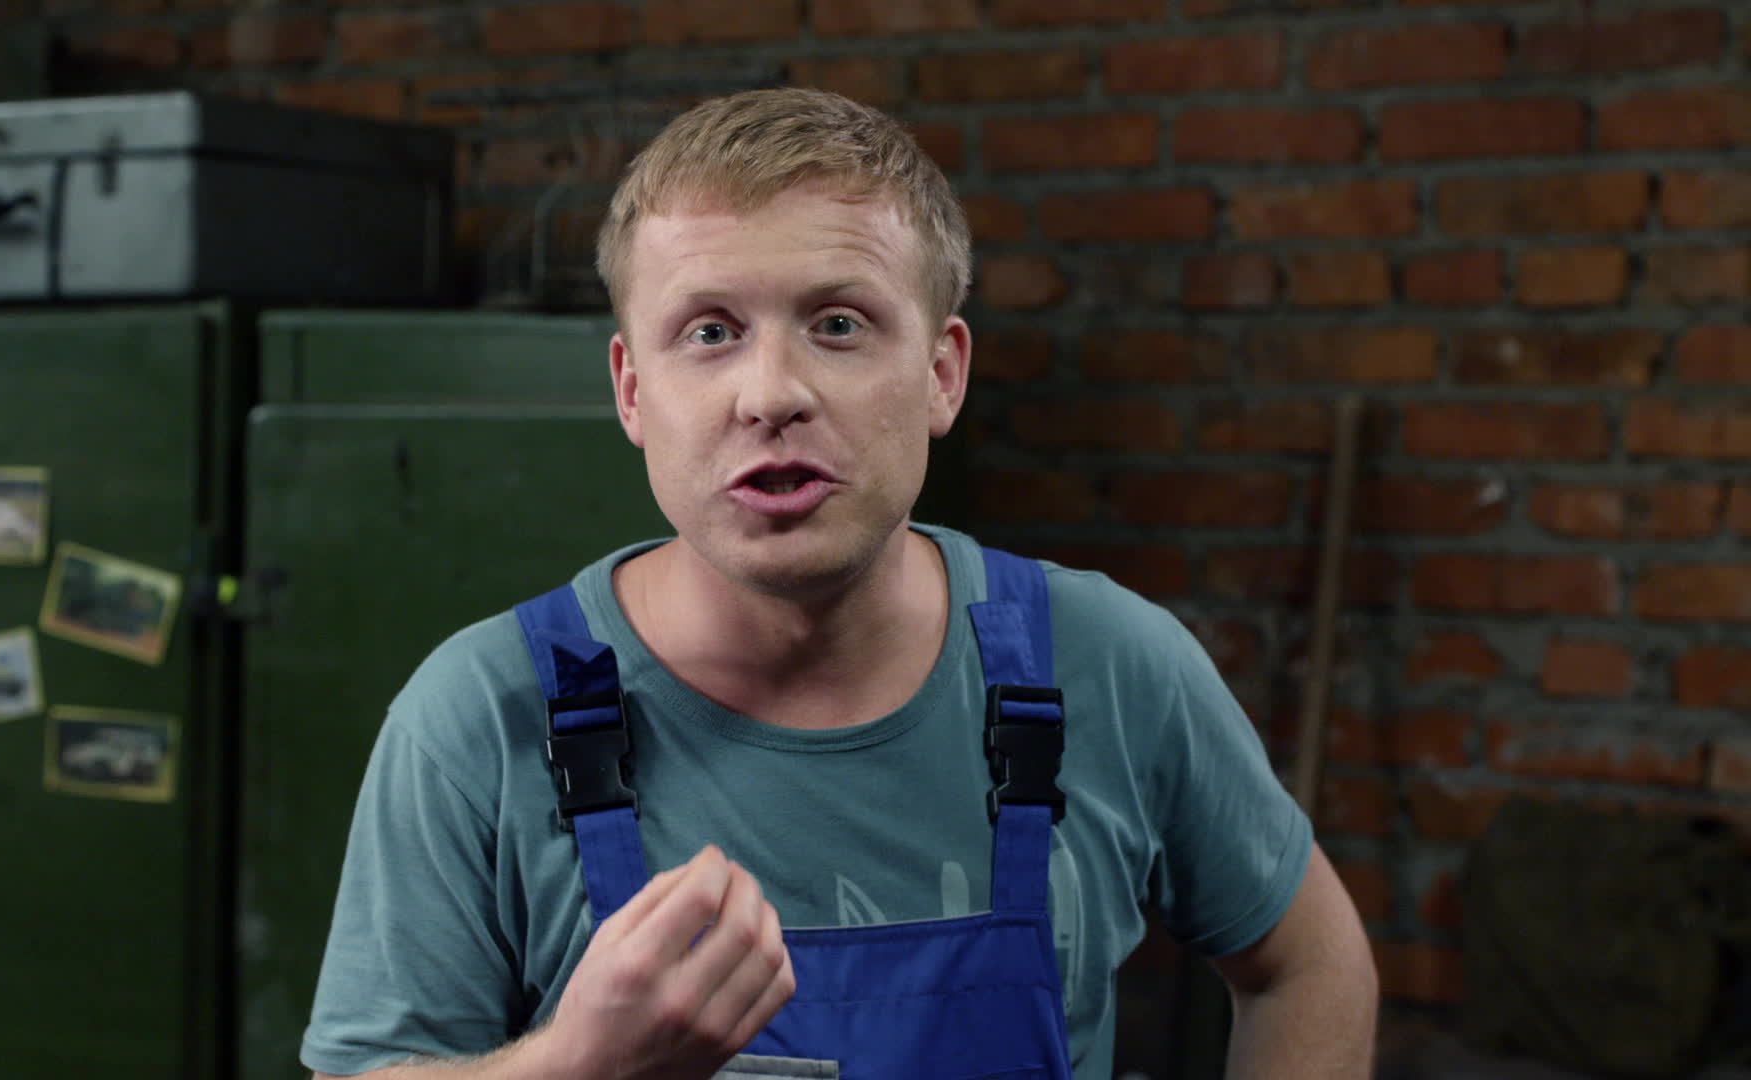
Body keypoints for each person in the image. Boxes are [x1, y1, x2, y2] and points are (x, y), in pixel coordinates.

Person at [302, 87, 1378, 1079]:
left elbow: (1311, 961)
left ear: (942, 374)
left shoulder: (1106, 661)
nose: (772, 392)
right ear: (632, 391)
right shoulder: (480, 720)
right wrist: (572, 1066)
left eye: (838, 325)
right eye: (710, 332)